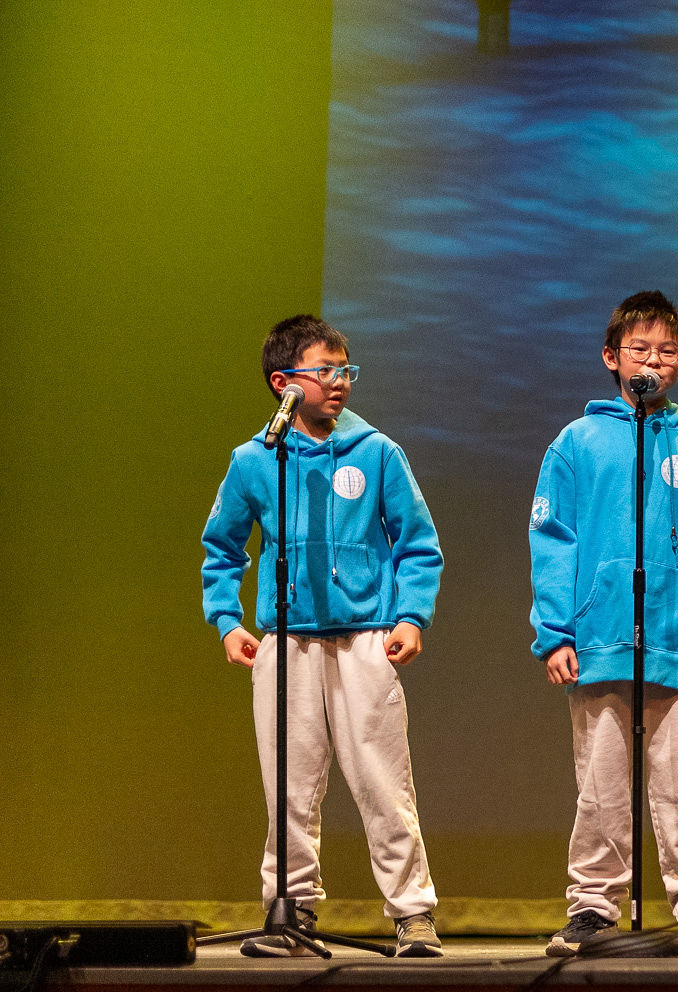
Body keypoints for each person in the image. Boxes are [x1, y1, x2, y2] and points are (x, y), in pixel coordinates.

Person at [200, 314, 445, 957]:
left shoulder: (377, 452)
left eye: (345, 370)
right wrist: (227, 620)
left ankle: (413, 913)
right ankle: (290, 909)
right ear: (283, 382)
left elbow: (418, 544)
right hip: (286, 641)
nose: (340, 382)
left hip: (365, 638)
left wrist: (411, 617)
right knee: (288, 786)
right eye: (325, 370)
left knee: (383, 782)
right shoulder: (256, 460)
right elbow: (222, 549)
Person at [529, 290, 678, 957]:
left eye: (666, 351)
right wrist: (556, 632)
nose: (652, 361)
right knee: (601, 786)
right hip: (599, 640)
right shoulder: (577, 443)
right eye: (639, 349)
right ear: (611, 357)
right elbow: (553, 540)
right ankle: (593, 906)